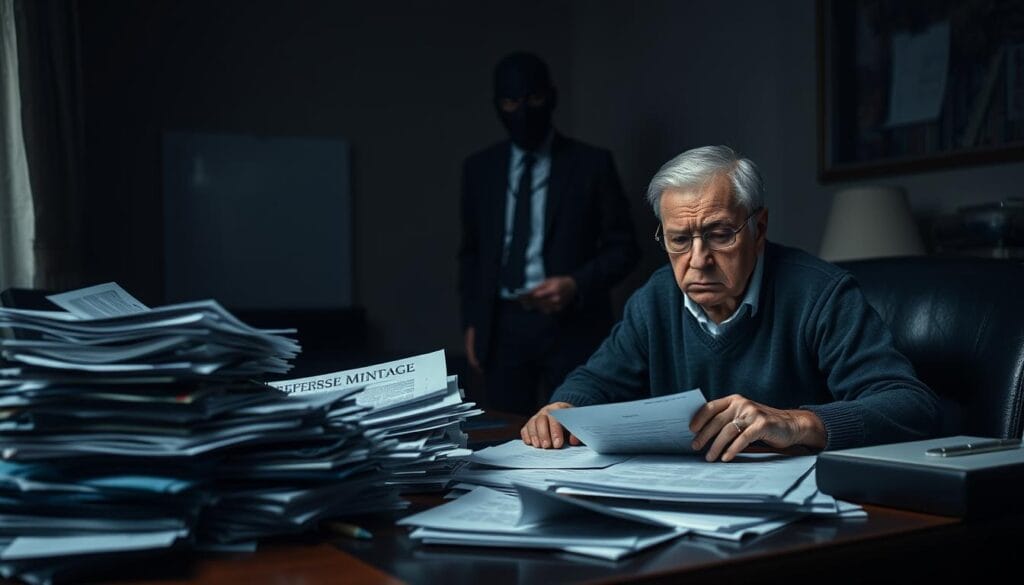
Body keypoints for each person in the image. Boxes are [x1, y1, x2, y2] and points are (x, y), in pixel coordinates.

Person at [520, 145, 942, 460]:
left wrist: (796, 422)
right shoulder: (656, 298)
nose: (698, 260)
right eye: (679, 240)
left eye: (720, 234)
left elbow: (912, 407)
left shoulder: (820, 294)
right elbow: (593, 383)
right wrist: (564, 407)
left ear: (759, 229)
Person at [458, 52, 639, 416]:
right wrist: (474, 321)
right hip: (503, 325)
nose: (523, 112)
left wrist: (576, 283)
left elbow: (626, 247)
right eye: (510, 102)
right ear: (497, 105)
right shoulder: (480, 169)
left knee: (578, 427)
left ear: (552, 97)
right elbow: (472, 254)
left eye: (534, 99)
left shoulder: (591, 164)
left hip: (574, 325)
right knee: (503, 434)